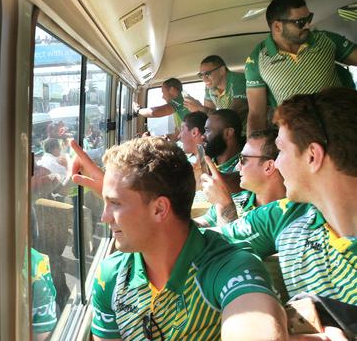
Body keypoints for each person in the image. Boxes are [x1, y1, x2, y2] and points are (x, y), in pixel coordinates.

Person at [68, 138, 286, 340]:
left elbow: (253, 323)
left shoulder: (228, 267)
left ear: (160, 208)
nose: (104, 217)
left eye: (114, 203)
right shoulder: (111, 276)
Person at [220, 88, 357, 339]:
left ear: (313, 156)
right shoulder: (287, 221)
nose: (278, 163)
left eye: (281, 151)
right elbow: (212, 244)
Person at [245, 0, 357, 133]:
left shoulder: (326, 40)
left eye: (309, 18)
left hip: (340, 128)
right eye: (300, 22)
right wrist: (253, 151)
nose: (308, 25)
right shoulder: (257, 59)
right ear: (277, 26)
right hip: (298, 137)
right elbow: (256, 115)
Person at [196, 129, 285, 227]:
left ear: (268, 167)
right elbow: (198, 225)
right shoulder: (238, 199)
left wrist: (224, 205)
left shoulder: (285, 214)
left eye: (243, 159)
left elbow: (233, 241)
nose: (238, 166)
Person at [203, 109, 243, 174]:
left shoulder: (243, 167)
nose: (203, 136)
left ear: (228, 133)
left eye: (207, 130)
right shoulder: (208, 161)